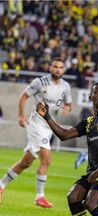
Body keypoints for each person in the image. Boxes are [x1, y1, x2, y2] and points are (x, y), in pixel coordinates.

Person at [36, 82, 98, 216]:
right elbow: (64, 135)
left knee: (91, 203)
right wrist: (47, 116)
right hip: (94, 172)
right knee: (73, 196)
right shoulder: (88, 122)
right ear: (90, 97)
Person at [0, 57, 72, 207]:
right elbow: (24, 96)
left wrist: (67, 108)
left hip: (49, 128)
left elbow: (69, 103)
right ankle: (40, 196)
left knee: (26, 162)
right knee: (47, 158)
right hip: (36, 125)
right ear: (50, 68)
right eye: (55, 66)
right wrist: (21, 115)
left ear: (63, 70)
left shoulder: (66, 86)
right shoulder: (40, 82)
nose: (58, 69)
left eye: (61, 67)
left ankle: (1, 185)